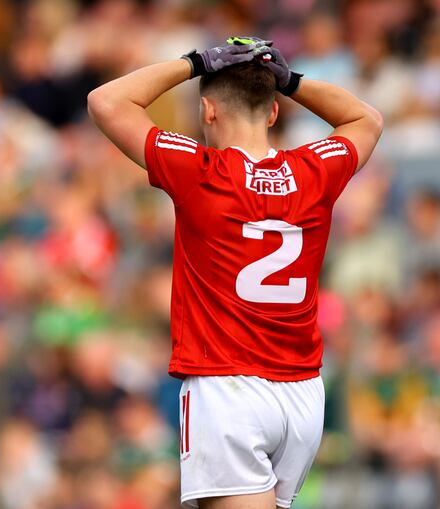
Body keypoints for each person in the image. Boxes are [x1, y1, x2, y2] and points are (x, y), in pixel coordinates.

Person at [87, 38, 383, 509]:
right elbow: (367, 119)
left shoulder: (199, 170)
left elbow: (105, 101)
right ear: (272, 113)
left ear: (207, 111)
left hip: (227, 389)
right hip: (303, 394)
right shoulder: (313, 170)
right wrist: (292, 81)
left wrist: (192, 64)